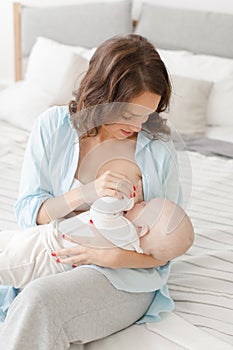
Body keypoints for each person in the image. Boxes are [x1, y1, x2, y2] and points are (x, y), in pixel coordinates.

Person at [0, 34, 183, 349]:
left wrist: (107, 256)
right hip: (52, 256)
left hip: (122, 276)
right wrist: (86, 193)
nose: (138, 127)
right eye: (128, 115)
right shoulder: (52, 127)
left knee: (39, 301)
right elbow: (31, 212)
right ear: (101, 94)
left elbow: (165, 250)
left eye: (147, 115)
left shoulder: (158, 149)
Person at [0, 196, 194, 289]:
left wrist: (126, 200)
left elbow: (102, 208)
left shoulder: (121, 231)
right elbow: (159, 259)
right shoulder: (131, 246)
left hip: (41, 253)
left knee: (6, 266)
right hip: (42, 242)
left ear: (142, 230)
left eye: (144, 205)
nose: (140, 202)